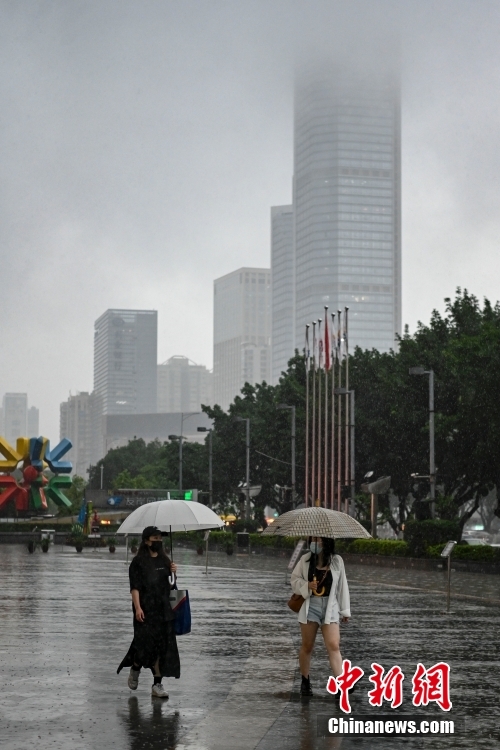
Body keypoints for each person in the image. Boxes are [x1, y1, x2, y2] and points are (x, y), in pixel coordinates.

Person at [117, 526, 180, 698]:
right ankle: (135, 666)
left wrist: (174, 573)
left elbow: (172, 586)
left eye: (160, 539)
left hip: (163, 612)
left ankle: (157, 684)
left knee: (161, 648)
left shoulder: (165, 561)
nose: (158, 542)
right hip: (145, 611)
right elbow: (134, 588)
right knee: (144, 646)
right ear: (146, 541)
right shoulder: (138, 563)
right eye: (155, 539)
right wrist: (137, 608)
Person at [290, 536, 350, 697]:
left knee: (334, 645)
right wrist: (307, 585)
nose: (315, 543)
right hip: (311, 607)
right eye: (313, 539)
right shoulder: (305, 560)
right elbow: (294, 580)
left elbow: (342, 586)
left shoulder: (337, 561)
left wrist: (345, 611)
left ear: (327, 541)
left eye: (318, 540)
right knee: (307, 646)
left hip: (330, 607)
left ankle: (340, 684)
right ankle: (305, 681)